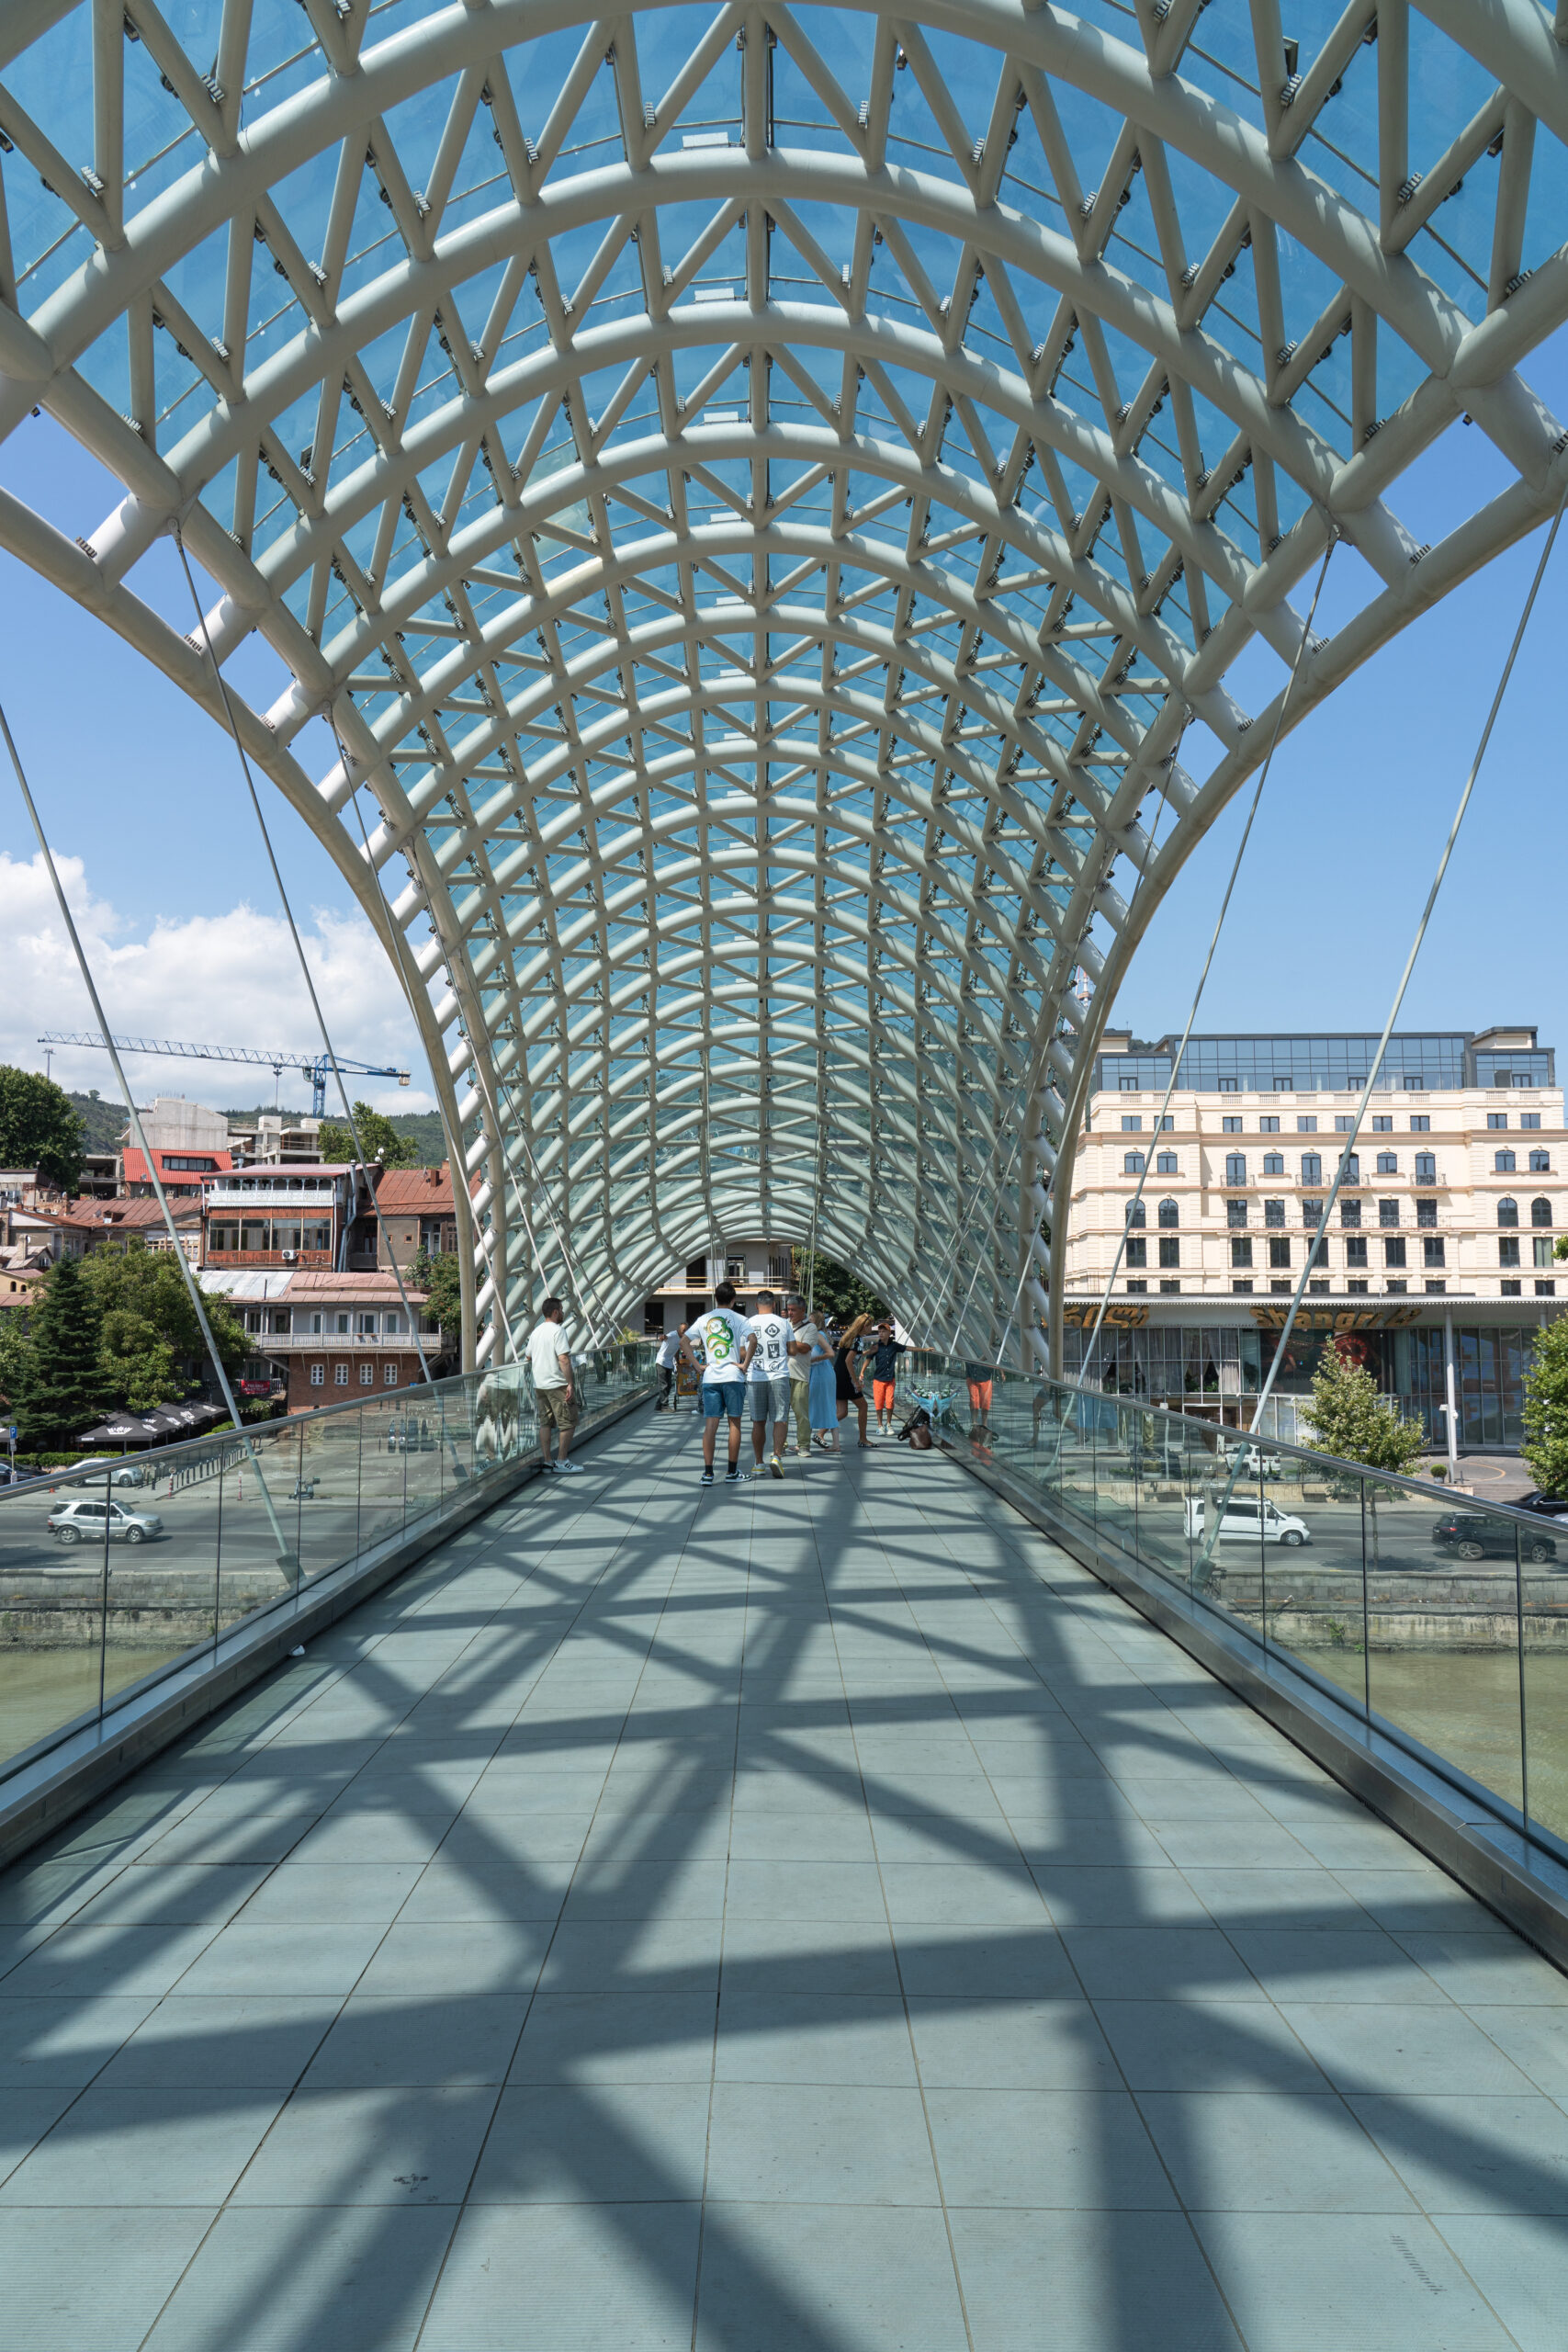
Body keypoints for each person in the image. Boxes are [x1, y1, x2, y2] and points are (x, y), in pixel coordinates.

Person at [682, 1281, 756, 1485]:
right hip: (733, 1376)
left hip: (711, 1377)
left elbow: (684, 1341)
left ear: (716, 1298)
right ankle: (732, 1472)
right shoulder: (740, 1318)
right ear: (733, 1300)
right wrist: (744, 1364)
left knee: (710, 1425)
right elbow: (753, 1340)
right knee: (735, 1424)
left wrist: (697, 1365)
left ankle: (708, 1473)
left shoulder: (704, 1319)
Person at [526, 1296, 579, 1473]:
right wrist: (570, 1384)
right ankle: (562, 1461)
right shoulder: (558, 1331)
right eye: (562, 1310)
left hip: (539, 1384)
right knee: (568, 1422)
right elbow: (563, 1358)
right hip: (557, 1383)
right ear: (555, 1312)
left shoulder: (536, 1332)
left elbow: (528, 1356)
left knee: (545, 1423)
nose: (563, 1313)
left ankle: (548, 1461)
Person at [746, 1289, 794, 1478]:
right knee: (780, 1418)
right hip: (779, 1375)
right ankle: (777, 1456)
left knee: (758, 1421)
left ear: (756, 1305)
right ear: (774, 1305)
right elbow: (792, 1349)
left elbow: (742, 1352)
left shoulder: (748, 1323)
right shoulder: (784, 1323)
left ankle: (758, 1463)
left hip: (755, 1377)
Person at [784, 1294, 818, 1456]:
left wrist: (786, 1341)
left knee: (801, 1413)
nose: (790, 1313)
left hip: (800, 1376)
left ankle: (804, 1445)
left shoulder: (810, 1327)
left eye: (794, 1310)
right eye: (788, 1309)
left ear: (803, 1310)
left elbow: (805, 1348)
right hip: (782, 1375)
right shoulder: (783, 1324)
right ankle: (780, 1445)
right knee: (780, 1414)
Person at [834, 1312, 874, 1447]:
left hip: (838, 1376)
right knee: (863, 1406)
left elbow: (852, 1355)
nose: (871, 1329)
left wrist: (868, 1352)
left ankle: (820, 1433)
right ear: (864, 1326)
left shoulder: (850, 1338)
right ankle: (863, 1439)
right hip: (846, 1378)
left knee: (842, 1412)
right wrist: (855, 1381)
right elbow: (848, 1360)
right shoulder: (857, 1340)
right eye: (870, 1326)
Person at [866, 1319, 908, 1435]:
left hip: (890, 1379)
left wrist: (924, 1349)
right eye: (879, 1331)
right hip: (878, 1380)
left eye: (883, 1331)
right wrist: (862, 1372)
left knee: (890, 1402)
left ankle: (888, 1424)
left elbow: (907, 1348)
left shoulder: (894, 1346)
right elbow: (868, 1358)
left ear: (889, 1333)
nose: (881, 1333)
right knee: (879, 1403)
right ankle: (880, 1425)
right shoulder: (876, 1346)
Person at [807, 1312, 839, 1449]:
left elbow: (830, 1353)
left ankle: (803, 1443)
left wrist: (813, 1360)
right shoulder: (819, 1334)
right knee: (827, 1406)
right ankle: (835, 1444)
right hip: (821, 1372)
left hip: (820, 1372)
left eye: (810, 1320)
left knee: (812, 1406)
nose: (808, 1322)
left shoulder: (818, 1335)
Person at [964, 1353, 1003, 1438]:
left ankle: (984, 1425)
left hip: (985, 1377)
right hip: (972, 1376)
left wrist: (1001, 1372)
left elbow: (996, 1358)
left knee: (985, 1402)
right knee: (974, 1401)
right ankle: (974, 1423)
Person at [654, 1325, 681, 1411]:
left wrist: (678, 1363)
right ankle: (664, 1406)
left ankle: (659, 1405)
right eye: (684, 1330)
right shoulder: (673, 1334)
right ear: (678, 1329)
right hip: (661, 1362)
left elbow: (676, 1351)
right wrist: (662, 1337)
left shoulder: (681, 1339)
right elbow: (665, 1336)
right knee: (664, 1385)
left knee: (668, 1385)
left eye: (686, 1330)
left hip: (669, 1363)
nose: (685, 1332)